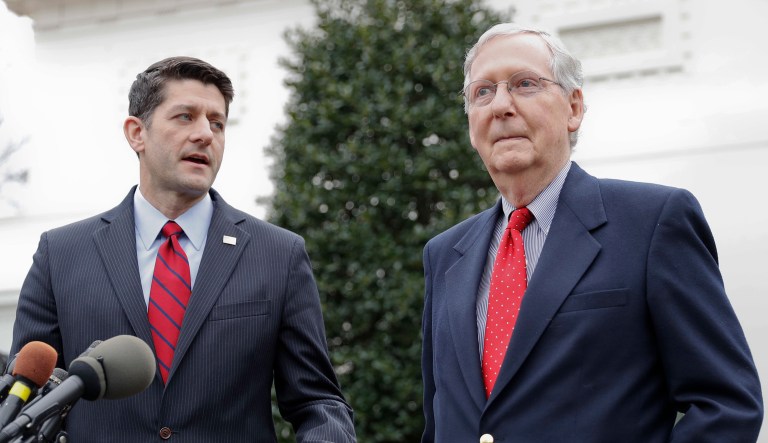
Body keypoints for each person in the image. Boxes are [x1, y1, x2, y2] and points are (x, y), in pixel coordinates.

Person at [421, 23, 763, 443]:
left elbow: (727, 406)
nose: (501, 105)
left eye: (525, 84)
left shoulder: (652, 223)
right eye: (483, 92)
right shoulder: (444, 255)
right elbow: (440, 422)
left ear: (574, 107)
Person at [10, 56, 356, 442]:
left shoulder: (278, 254)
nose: (205, 134)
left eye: (217, 123)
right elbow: (26, 398)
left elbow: (317, 403)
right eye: (185, 117)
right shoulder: (61, 254)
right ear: (136, 133)